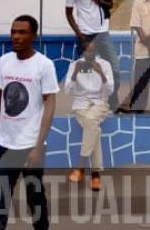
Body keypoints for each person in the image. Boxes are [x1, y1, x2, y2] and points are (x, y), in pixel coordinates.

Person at [0, 15, 58, 230]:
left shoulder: (44, 65)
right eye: (13, 31)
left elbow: (50, 107)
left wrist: (38, 147)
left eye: (22, 32)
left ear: (33, 36)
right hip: (4, 144)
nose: (15, 36)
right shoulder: (4, 61)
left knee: (35, 199)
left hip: (29, 147)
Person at [64, 0, 120, 111]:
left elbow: (110, 4)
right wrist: (78, 33)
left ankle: (113, 103)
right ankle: (84, 103)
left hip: (103, 33)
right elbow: (68, 12)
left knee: (114, 69)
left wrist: (100, 1)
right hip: (85, 35)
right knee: (84, 69)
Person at [64, 39, 113, 191]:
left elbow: (109, 91)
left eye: (92, 51)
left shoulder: (105, 65)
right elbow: (67, 91)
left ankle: (80, 166)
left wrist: (102, 75)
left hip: (99, 103)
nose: (90, 54)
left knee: (91, 121)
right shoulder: (75, 65)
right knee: (94, 130)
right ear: (82, 52)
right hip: (81, 105)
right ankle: (96, 175)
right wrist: (74, 74)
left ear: (96, 51)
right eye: (87, 51)